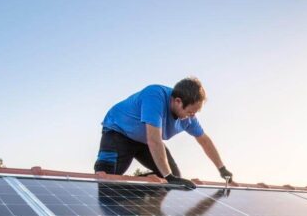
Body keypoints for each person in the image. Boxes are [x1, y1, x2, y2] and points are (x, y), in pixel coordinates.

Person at [94, 77, 232, 190]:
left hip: (144, 142)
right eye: (190, 112)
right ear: (178, 101)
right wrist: (168, 176)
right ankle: (114, 182)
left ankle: (135, 194)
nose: (192, 117)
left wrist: (222, 169)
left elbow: (204, 140)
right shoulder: (155, 96)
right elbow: (154, 139)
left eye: (195, 113)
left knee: (174, 177)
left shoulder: (189, 118)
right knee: (106, 179)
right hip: (119, 132)